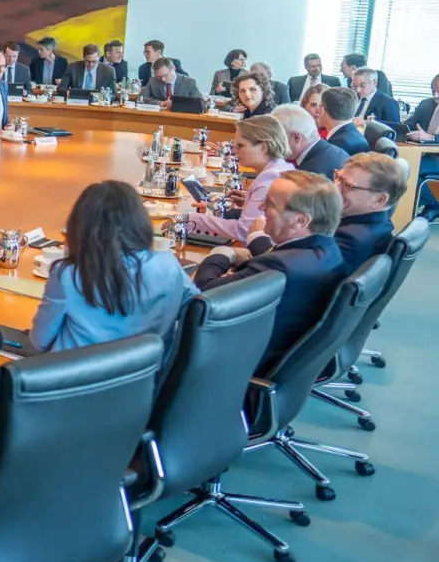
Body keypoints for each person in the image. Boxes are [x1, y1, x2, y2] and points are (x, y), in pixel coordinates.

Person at [193, 172, 345, 370]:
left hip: (236, 363)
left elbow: (203, 292)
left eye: (270, 204)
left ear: (301, 221)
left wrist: (222, 253)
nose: (260, 208)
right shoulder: (327, 249)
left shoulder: (279, 267)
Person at [30, 181, 196, 353]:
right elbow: (202, 312)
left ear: (80, 227)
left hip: (79, 376)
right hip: (148, 375)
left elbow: (40, 340)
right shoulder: (168, 265)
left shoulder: (69, 275)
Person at [249, 153, 402, 273]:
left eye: (347, 185)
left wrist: (258, 238)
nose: (334, 187)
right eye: (337, 177)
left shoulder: (352, 238)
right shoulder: (378, 225)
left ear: (379, 200)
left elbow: (295, 271)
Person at [187, 115, 295, 242]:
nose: (234, 151)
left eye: (241, 145)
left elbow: (243, 231)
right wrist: (248, 201)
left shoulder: (269, 178)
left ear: (263, 148)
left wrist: (193, 219)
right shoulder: (282, 167)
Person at [272, 103, 348, 179]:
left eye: (278, 139)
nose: (275, 145)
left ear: (296, 137)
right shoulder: (337, 151)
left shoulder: (306, 175)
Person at [402, 74, 439, 216]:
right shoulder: (426, 104)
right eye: (433, 90)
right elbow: (408, 125)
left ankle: (433, 205)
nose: (435, 95)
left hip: (433, 159)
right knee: (399, 170)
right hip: (422, 154)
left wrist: (431, 138)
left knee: (410, 176)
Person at [319, 87, 371, 156]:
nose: (317, 110)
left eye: (318, 106)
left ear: (323, 109)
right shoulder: (350, 133)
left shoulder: (338, 145)